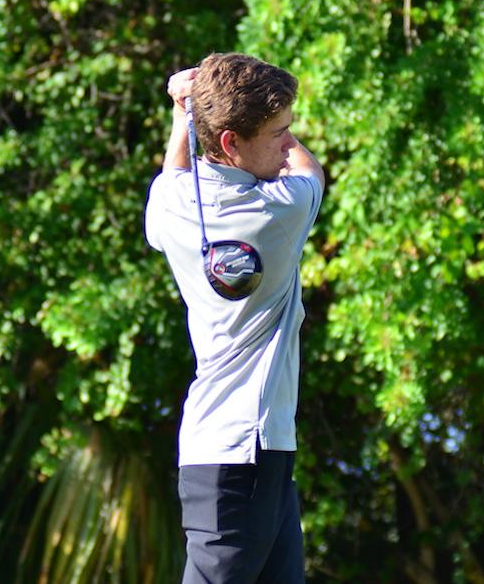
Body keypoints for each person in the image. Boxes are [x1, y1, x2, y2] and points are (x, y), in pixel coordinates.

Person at [144, 53, 325, 583]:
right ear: (230, 143)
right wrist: (189, 111)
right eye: (279, 133)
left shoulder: (170, 206)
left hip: (252, 454)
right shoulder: (281, 213)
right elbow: (310, 171)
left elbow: (174, 174)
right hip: (236, 459)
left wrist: (184, 113)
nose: (290, 145)